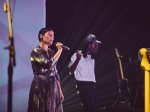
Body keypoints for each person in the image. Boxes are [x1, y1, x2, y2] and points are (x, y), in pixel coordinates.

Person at [28, 27, 64, 112]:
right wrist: (59, 50)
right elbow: (49, 64)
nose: (52, 38)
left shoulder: (51, 52)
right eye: (50, 35)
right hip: (40, 85)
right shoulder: (35, 51)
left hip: (52, 85)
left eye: (53, 36)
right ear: (41, 36)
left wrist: (60, 90)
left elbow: (55, 72)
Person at [68, 34, 101, 112]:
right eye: (95, 44)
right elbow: (70, 71)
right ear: (89, 45)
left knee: (94, 108)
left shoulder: (92, 58)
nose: (97, 46)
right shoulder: (78, 55)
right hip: (83, 85)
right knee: (90, 109)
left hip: (93, 85)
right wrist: (78, 59)